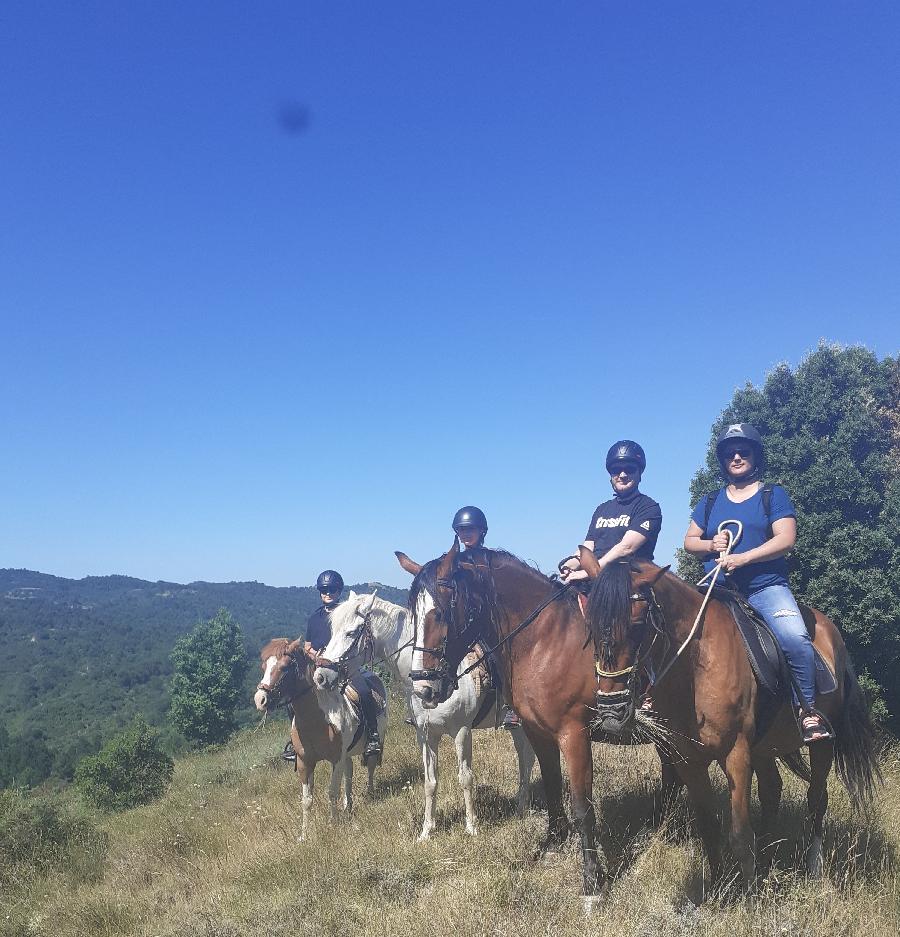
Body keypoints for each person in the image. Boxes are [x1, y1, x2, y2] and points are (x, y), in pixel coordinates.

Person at [682, 423, 831, 744]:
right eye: (729, 453)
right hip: (717, 591)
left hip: (765, 588)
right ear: (722, 460)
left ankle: (807, 711)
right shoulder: (709, 502)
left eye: (743, 451)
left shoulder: (772, 494)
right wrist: (711, 545)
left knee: (795, 639)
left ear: (754, 456)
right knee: (669, 633)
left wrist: (743, 558)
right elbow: (689, 541)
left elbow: (786, 539)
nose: (736, 457)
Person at [283, 569, 383, 762]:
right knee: (292, 699)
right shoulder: (315, 618)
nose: (327, 593)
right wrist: (314, 655)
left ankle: (372, 736)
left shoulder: (344, 613)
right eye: (324, 590)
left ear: (339, 591)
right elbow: (308, 646)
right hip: (319, 668)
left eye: (332, 590)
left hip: (345, 666)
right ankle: (295, 742)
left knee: (363, 692)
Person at [450, 506, 521, 729]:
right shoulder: (453, 561)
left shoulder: (491, 560)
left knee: (498, 657)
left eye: (471, 529)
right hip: (463, 624)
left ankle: (511, 706)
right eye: (462, 530)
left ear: (482, 531)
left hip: (490, 623)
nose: (465, 534)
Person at [559, 440, 663, 583]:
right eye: (616, 470)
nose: (622, 474)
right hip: (596, 578)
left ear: (640, 473)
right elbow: (588, 547)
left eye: (630, 469)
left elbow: (626, 548)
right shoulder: (602, 509)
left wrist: (591, 571)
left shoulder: (648, 507)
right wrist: (569, 565)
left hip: (628, 581)